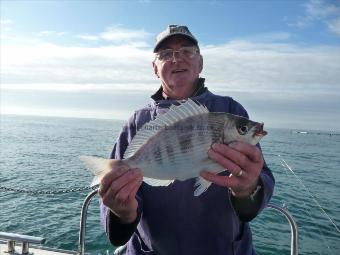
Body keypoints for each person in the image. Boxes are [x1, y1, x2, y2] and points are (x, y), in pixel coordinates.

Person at [99, 24, 275, 255]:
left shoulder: (230, 110)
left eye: (186, 51)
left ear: (200, 63)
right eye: (165, 54)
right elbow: (116, 205)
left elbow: (260, 179)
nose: (176, 59)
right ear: (155, 68)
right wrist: (123, 213)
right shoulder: (137, 121)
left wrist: (249, 188)